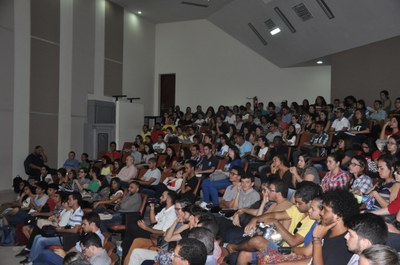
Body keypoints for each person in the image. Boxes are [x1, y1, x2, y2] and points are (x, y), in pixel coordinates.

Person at [227, 182, 322, 265]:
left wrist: (276, 223)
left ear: (310, 203)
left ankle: (233, 247)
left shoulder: (312, 220)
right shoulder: (297, 209)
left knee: (257, 241)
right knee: (243, 255)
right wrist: (255, 219)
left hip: (291, 252)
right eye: (296, 202)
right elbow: (274, 215)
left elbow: (294, 242)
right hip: (282, 246)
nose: (296, 205)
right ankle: (233, 248)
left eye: (299, 203)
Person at [20, 193, 84, 265]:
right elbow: (69, 226)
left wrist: (61, 230)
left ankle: (31, 261)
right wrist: (61, 228)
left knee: (41, 240)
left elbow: (75, 230)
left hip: (69, 238)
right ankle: (31, 258)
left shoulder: (79, 213)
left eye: (70, 199)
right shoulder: (73, 211)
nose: (68, 201)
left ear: (75, 200)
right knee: (38, 237)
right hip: (65, 234)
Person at [122, 191, 177, 263]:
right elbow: (153, 221)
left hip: (156, 236)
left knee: (132, 229)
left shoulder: (172, 213)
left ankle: (124, 255)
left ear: (169, 199)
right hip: (151, 230)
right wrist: (152, 208)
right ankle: (125, 253)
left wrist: (146, 228)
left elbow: (163, 232)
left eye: (162, 196)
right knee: (132, 227)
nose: (160, 197)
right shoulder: (165, 209)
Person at [33, 212, 105, 265]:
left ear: (92, 224)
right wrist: (66, 253)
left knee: (46, 254)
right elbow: (76, 247)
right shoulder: (88, 234)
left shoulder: (98, 239)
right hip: (71, 257)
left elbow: (87, 259)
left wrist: (66, 256)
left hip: (74, 262)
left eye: (84, 224)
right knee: (45, 259)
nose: (82, 226)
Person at [311, 189, 360, 265]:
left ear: (338, 216)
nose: (321, 213)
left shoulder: (346, 244)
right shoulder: (327, 231)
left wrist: (317, 240)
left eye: (325, 210)